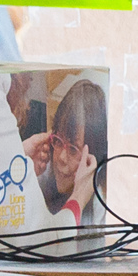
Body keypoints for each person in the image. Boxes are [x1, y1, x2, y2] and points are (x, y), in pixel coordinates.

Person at [27, 77, 108, 225]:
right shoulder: (43, 173)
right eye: (58, 141)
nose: (61, 157)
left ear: (92, 159)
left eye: (73, 149)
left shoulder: (98, 208)